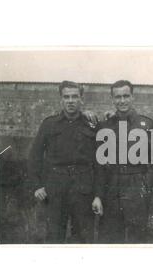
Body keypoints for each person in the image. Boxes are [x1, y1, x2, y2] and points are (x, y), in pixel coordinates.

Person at [28, 80, 103, 244]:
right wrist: (37, 185)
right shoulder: (49, 124)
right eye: (66, 97)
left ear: (81, 99)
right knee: (54, 236)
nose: (70, 101)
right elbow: (35, 156)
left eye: (75, 96)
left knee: (83, 237)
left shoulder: (92, 125)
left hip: (83, 189)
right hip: (55, 189)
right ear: (61, 99)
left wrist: (97, 194)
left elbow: (99, 163)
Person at [98, 80, 153, 243]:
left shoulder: (147, 124)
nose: (122, 101)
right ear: (112, 99)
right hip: (112, 184)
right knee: (110, 234)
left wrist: (146, 184)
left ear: (132, 97)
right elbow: (99, 163)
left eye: (126, 96)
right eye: (117, 97)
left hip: (137, 183)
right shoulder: (104, 125)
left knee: (137, 236)